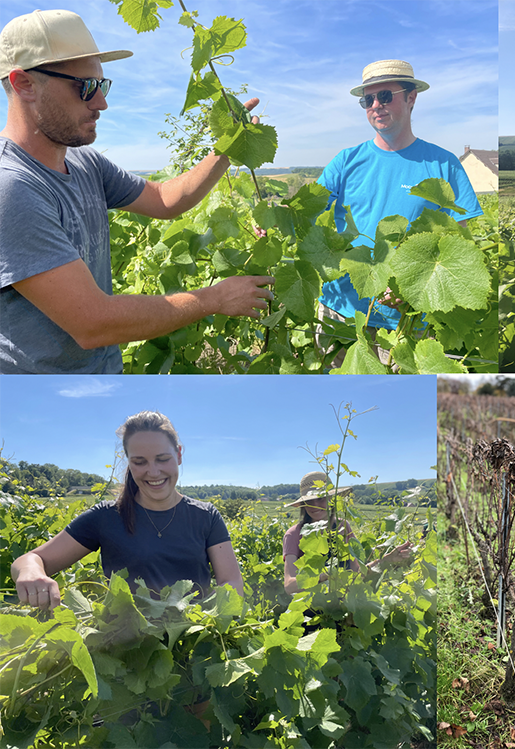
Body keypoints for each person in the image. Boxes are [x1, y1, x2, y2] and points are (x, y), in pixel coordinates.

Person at [0, 9, 274, 374]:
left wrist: (228, 147)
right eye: (85, 87)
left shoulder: (85, 162)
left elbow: (164, 200)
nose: (101, 103)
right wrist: (214, 298)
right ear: (24, 85)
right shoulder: (12, 186)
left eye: (102, 85)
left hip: (104, 374)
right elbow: (93, 322)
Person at [314, 59, 484, 366]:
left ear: (411, 97)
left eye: (385, 96)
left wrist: (413, 291)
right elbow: (307, 209)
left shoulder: (443, 165)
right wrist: (276, 219)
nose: (376, 105)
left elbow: (459, 249)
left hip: (406, 324)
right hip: (340, 311)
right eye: (368, 100)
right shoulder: (345, 161)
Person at [11, 411, 244, 609]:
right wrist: (31, 572)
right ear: (129, 462)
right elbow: (31, 559)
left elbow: (231, 581)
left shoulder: (205, 516)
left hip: (194, 647)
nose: (153, 472)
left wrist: (209, 618)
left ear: (179, 454)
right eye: (140, 462)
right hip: (126, 651)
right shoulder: (107, 516)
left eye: (162, 459)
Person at [282, 471, 414, 594]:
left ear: (331, 499)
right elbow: (289, 585)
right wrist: (324, 577)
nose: (315, 504)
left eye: (321, 498)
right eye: (309, 501)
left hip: (343, 605)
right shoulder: (293, 534)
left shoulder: (342, 527)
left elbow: (356, 573)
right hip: (310, 612)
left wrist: (387, 560)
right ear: (304, 504)